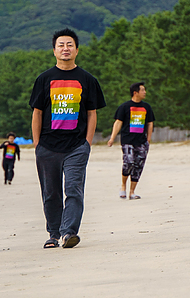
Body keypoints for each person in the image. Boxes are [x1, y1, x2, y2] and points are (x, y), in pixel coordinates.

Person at [30, 27, 105, 249]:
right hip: (47, 146)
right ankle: (54, 233)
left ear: (77, 50)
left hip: (76, 146)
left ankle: (69, 232)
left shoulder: (87, 79)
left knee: (73, 189)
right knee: (51, 193)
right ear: (54, 50)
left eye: (69, 45)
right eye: (61, 45)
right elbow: (37, 113)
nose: (65, 48)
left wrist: (87, 143)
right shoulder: (44, 79)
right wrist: (37, 144)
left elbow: (92, 113)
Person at [107, 82, 155, 199]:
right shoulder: (124, 107)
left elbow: (150, 123)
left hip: (141, 142)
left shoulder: (146, 107)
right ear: (135, 92)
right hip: (128, 140)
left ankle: (132, 192)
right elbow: (118, 122)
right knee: (128, 162)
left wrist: (148, 139)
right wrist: (112, 138)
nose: (145, 92)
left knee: (138, 166)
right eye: (143, 90)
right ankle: (123, 185)